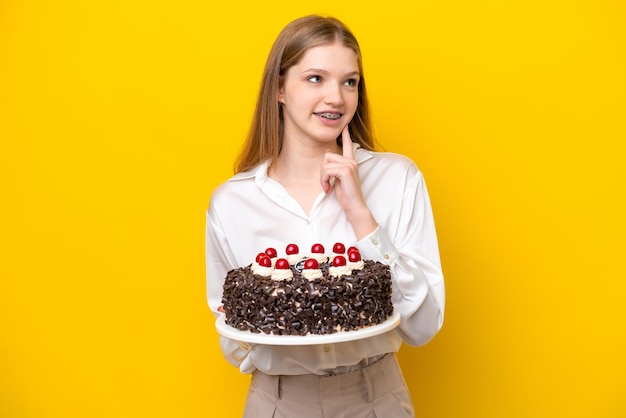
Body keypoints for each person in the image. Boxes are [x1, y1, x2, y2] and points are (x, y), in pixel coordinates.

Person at [206, 14, 445, 417]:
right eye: (316, 78)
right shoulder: (232, 202)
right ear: (280, 88)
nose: (336, 97)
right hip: (277, 403)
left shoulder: (397, 178)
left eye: (349, 81)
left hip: (375, 397)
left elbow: (422, 326)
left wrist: (359, 213)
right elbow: (232, 332)